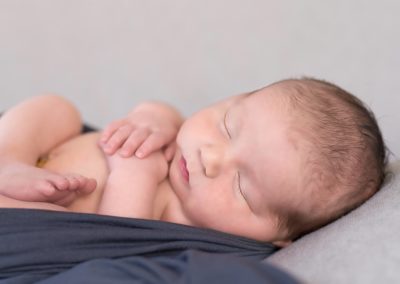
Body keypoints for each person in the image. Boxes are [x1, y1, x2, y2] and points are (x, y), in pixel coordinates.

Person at [0, 78, 387, 247]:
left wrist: (132, 175)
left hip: (35, 220)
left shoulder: (185, 225)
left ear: (278, 238)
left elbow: (114, 239)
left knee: (30, 216)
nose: (211, 158)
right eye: (227, 126)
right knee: (57, 108)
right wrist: (152, 118)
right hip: (37, 156)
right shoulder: (184, 137)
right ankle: (8, 159)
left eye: (242, 187)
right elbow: (163, 110)